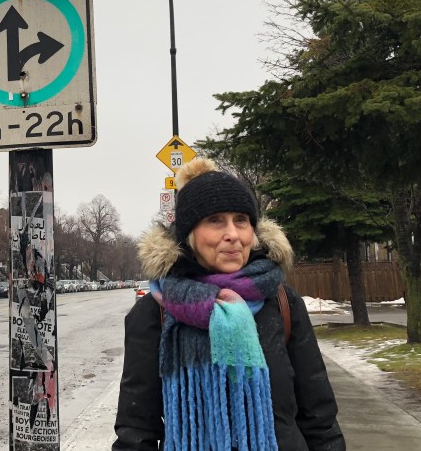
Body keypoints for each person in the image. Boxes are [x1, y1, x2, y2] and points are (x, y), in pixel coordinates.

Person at [113, 157, 345, 451]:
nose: (232, 234)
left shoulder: (282, 301)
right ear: (189, 235)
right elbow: (137, 429)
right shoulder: (155, 312)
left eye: (241, 220)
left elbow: (319, 416)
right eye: (215, 220)